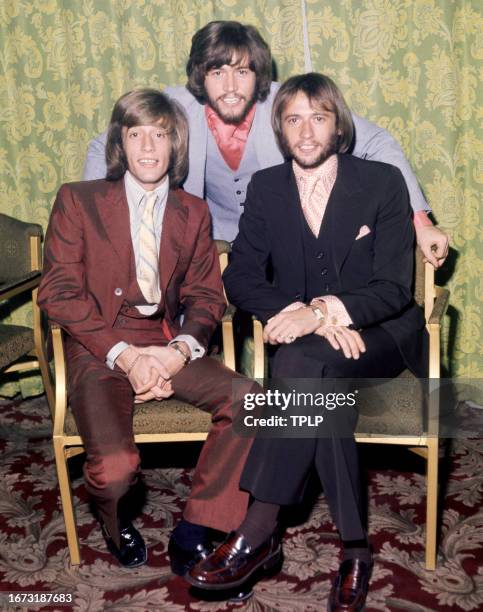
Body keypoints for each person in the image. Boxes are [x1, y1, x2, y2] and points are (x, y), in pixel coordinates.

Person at [187, 73, 428, 610]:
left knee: (300, 361)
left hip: (381, 335)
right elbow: (241, 274)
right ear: (280, 128)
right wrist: (291, 313)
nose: (307, 129)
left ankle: (257, 530)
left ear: (337, 124)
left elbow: (393, 287)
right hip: (312, 352)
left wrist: (321, 312)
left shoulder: (383, 181)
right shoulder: (268, 188)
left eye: (318, 117)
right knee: (314, 378)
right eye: (294, 118)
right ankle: (356, 548)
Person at [38, 89, 259, 570]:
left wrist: (178, 350)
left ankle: (200, 522)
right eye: (135, 134)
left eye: (159, 135)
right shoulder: (78, 200)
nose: (147, 147)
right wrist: (125, 356)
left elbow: (206, 298)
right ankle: (114, 522)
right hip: (97, 345)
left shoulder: (193, 211)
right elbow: (56, 293)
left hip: (164, 342)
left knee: (252, 402)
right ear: (120, 141)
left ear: (174, 144)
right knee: (115, 470)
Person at [83, 20, 448, 268]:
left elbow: (378, 142)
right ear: (199, 76)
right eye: (217, 72)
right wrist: (107, 227)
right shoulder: (175, 106)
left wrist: (420, 220)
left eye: (242, 72)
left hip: (286, 243)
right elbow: (103, 147)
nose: (229, 87)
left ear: (259, 74)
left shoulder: (288, 103)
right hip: (210, 247)